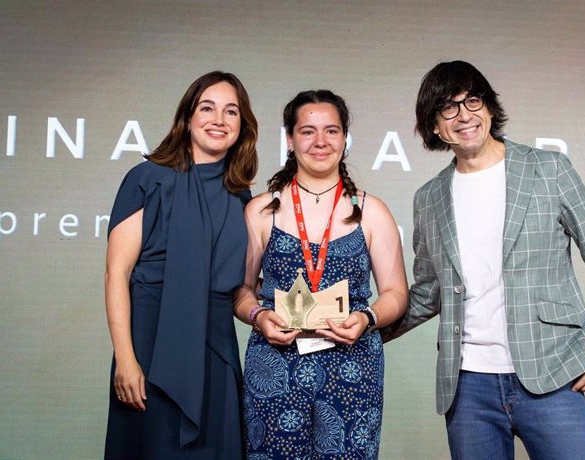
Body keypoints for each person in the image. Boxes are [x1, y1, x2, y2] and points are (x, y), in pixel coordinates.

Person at [382, 61, 585, 459]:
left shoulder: (549, 169)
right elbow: (428, 293)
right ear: (434, 127)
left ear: (490, 108)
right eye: (448, 108)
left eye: (473, 101)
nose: (465, 116)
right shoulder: (428, 198)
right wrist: (366, 329)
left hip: (551, 373)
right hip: (467, 387)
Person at [234, 89, 408, 459]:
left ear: (345, 139)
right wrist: (260, 316)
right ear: (290, 139)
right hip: (275, 361)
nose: (320, 141)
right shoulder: (261, 210)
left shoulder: (371, 210)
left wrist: (367, 317)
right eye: (307, 130)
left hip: (353, 362)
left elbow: (395, 292)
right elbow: (241, 290)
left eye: (331, 130)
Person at [103, 70, 258, 459]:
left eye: (231, 112)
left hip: (216, 354)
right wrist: (125, 358)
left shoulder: (240, 195)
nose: (219, 120)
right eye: (207, 108)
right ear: (188, 117)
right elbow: (116, 274)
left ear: (243, 126)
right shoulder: (147, 178)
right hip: (150, 348)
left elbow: (239, 286)